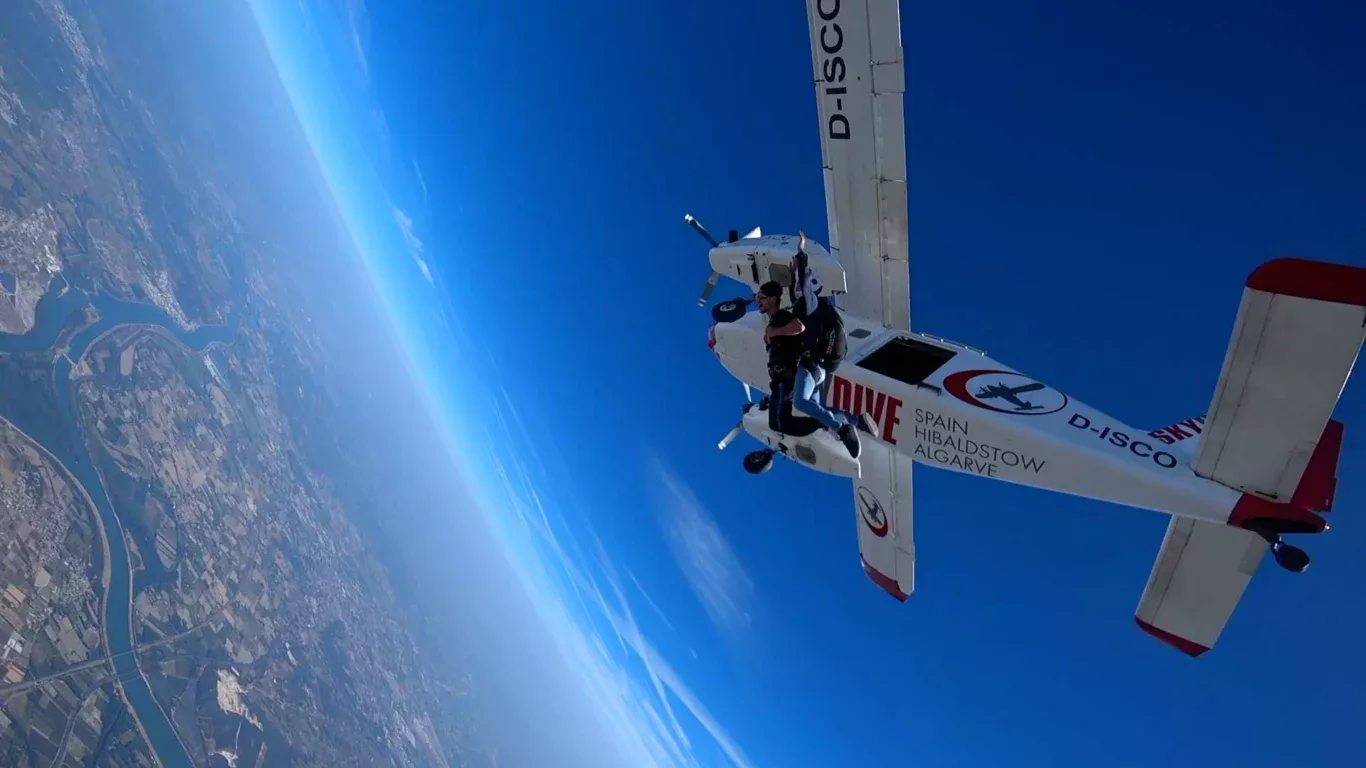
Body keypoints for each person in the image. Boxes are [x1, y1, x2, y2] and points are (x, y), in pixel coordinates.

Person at [757, 280, 862, 458]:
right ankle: (851, 420)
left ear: (773, 299)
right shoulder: (776, 321)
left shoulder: (781, 318)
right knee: (782, 421)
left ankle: (841, 428)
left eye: (761, 297)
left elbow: (799, 327)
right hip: (791, 375)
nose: (757, 300)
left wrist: (774, 333)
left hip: (797, 372)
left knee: (789, 413)